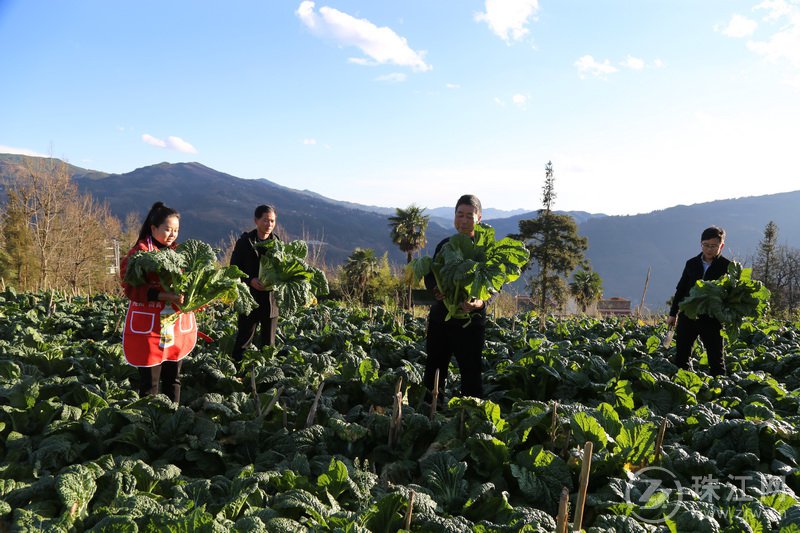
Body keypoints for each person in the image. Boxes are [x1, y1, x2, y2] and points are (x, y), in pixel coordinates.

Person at [120, 201, 197, 403]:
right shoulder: (138, 253)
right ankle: (148, 421)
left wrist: (194, 299)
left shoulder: (183, 254)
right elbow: (131, 288)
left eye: (176, 230)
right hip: (149, 327)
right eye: (167, 229)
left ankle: (173, 415)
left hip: (175, 326)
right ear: (154, 228)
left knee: (174, 378)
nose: (172, 235)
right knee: (150, 382)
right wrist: (165, 296)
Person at [422, 194, 488, 403]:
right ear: (454, 216)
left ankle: (468, 418)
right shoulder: (445, 244)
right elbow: (430, 275)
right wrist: (436, 290)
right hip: (442, 317)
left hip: (471, 321)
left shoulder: (484, 248)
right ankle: (431, 412)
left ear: (479, 217)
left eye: (469, 215)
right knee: (434, 369)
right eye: (460, 214)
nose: (464, 220)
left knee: (471, 373)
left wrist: (479, 302)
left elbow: (493, 284)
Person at [667, 226, 731, 376]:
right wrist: (673, 313)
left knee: (716, 360)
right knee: (681, 357)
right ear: (700, 244)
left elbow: (732, 295)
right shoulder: (691, 263)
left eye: (713, 246)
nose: (709, 249)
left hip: (712, 319)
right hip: (688, 316)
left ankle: (719, 391)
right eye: (706, 245)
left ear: (721, 246)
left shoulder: (727, 267)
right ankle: (684, 388)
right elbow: (681, 289)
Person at [229, 204, 280, 362]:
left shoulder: (278, 244)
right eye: (265, 220)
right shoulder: (245, 242)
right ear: (256, 220)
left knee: (268, 344)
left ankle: (265, 375)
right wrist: (250, 280)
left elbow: (282, 269)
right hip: (249, 299)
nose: (269, 224)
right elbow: (234, 268)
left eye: (272, 221)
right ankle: (237, 373)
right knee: (244, 339)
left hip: (270, 302)